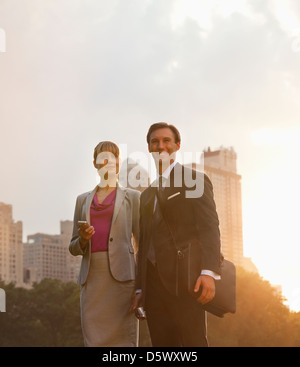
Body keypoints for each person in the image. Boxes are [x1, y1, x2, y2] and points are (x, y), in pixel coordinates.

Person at [132, 122, 221, 347]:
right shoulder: (146, 195)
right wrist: (140, 287)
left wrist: (209, 272)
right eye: (154, 142)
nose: (160, 145)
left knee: (193, 344)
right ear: (150, 149)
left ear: (177, 145)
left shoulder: (195, 180)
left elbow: (209, 227)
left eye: (166, 140)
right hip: (153, 289)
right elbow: (144, 244)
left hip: (186, 282)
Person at [69, 141, 140, 347]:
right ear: (95, 163)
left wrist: (141, 288)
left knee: (124, 343)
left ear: (118, 164)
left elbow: (142, 244)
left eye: (112, 158)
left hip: (123, 282)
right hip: (92, 280)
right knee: (93, 340)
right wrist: (83, 239)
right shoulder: (82, 200)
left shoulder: (133, 198)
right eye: (102, 158)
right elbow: (73, 246)